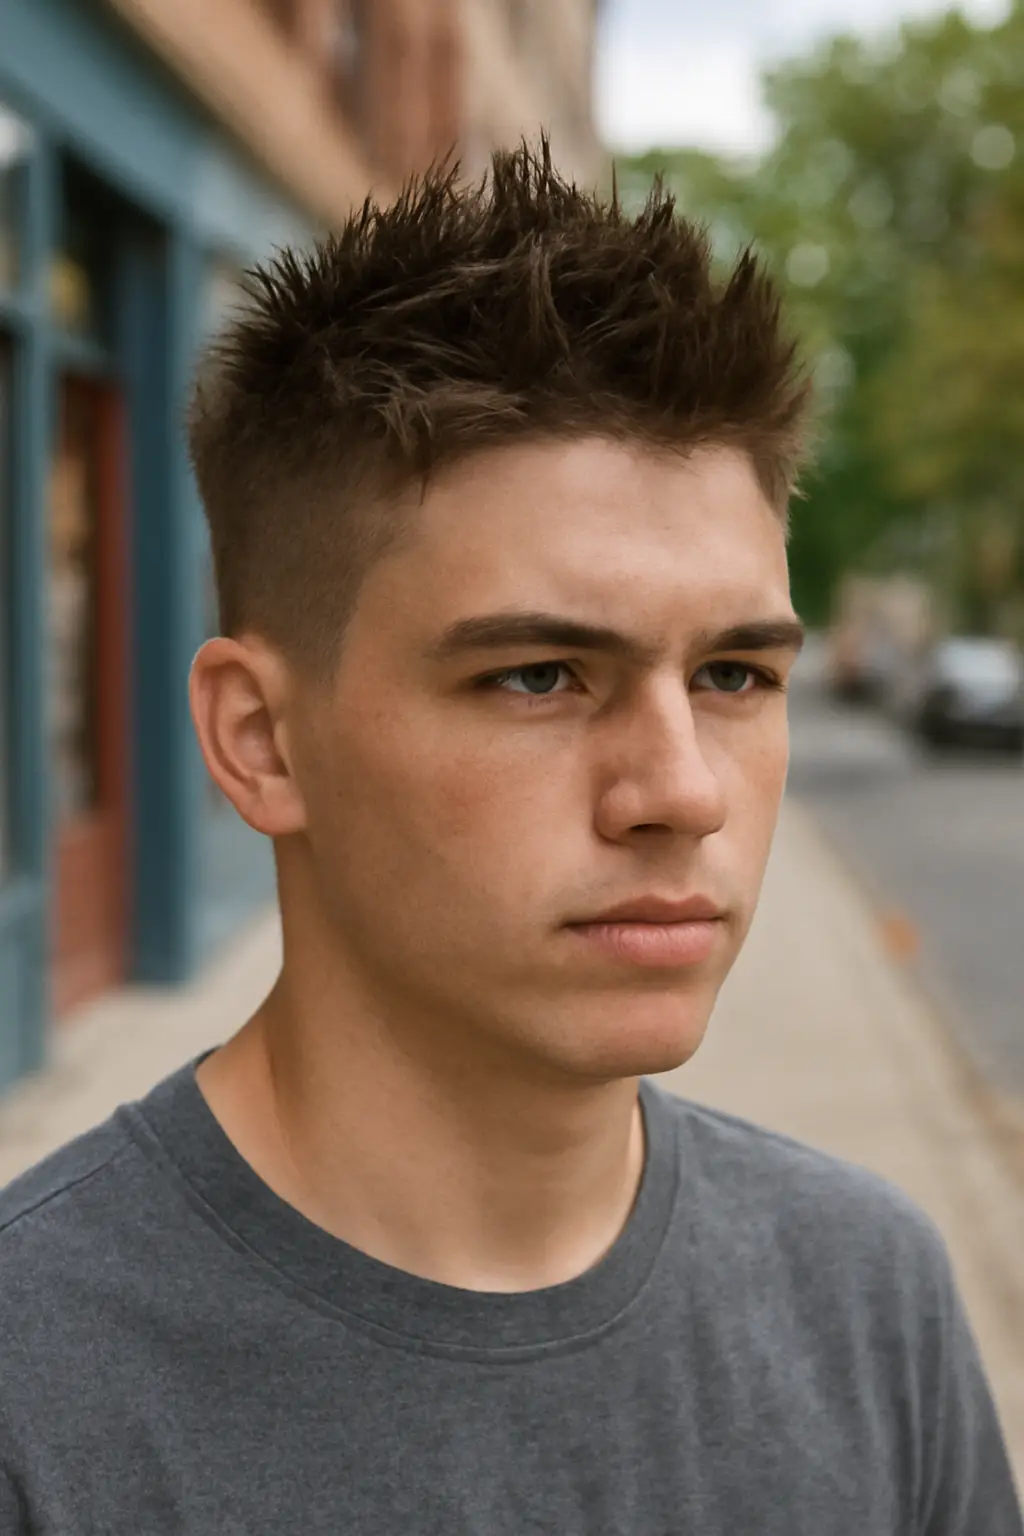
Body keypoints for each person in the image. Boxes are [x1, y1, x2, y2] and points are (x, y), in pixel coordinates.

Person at [0, 140, 1020, 1536]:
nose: (681, 790)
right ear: (260, 740)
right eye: (538, 676)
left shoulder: (866, 1297)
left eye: (733, 675)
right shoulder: (36, 1394)